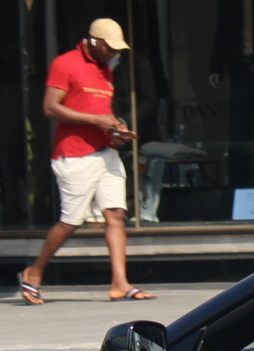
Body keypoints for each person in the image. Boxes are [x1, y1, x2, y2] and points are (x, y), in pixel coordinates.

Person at [19, 17, 155, 305]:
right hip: (74, 154)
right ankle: (35, 271)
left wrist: (116, 130)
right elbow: (49, 107)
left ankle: (120, 282)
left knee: (116, 215)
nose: (115, 54)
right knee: (71, 221)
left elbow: (99, 111)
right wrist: (95, 120)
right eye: (110, 48)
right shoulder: (65, 63)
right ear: (93, 42)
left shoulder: (106, 70)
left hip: (105, 152)